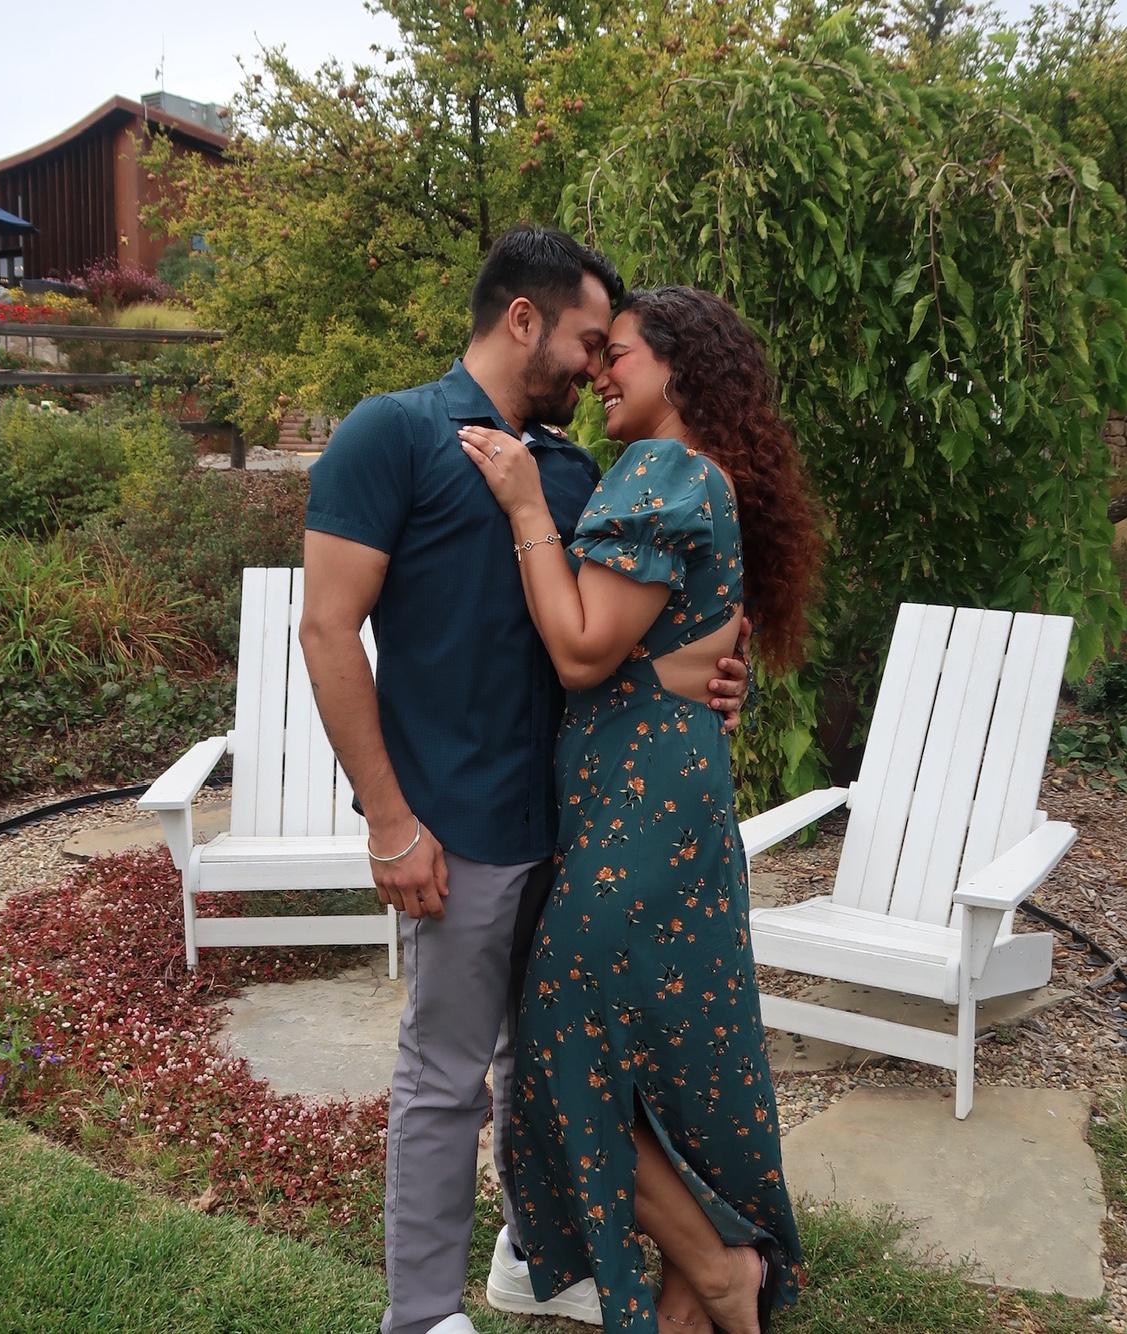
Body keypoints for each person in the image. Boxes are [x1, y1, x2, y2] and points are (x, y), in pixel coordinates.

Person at [300, 229, 751, 1334]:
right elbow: (325, 630)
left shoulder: (564, 470)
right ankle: (417, 1314)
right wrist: (391, 820)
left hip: (581, 826)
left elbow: (608, 631)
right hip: (458, 826)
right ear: (520, 320)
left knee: (555, 1070)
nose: (596, 367)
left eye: (613, 350)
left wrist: (709, 675)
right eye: (587, 340)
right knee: (447, 1072)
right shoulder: (391, 433)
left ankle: (532, 1259)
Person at [457, 285, 821, 1333]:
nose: (597, 373)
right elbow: (661, 650)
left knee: (566, 1038)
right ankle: (701, 1286)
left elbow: (580, 649)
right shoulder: (700, 476)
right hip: (663, 795)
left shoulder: (660, 470)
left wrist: (528, 504)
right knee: (665, 1045)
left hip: (640, 815)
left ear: (678, 366)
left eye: (616, 354)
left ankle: (712, 1264)